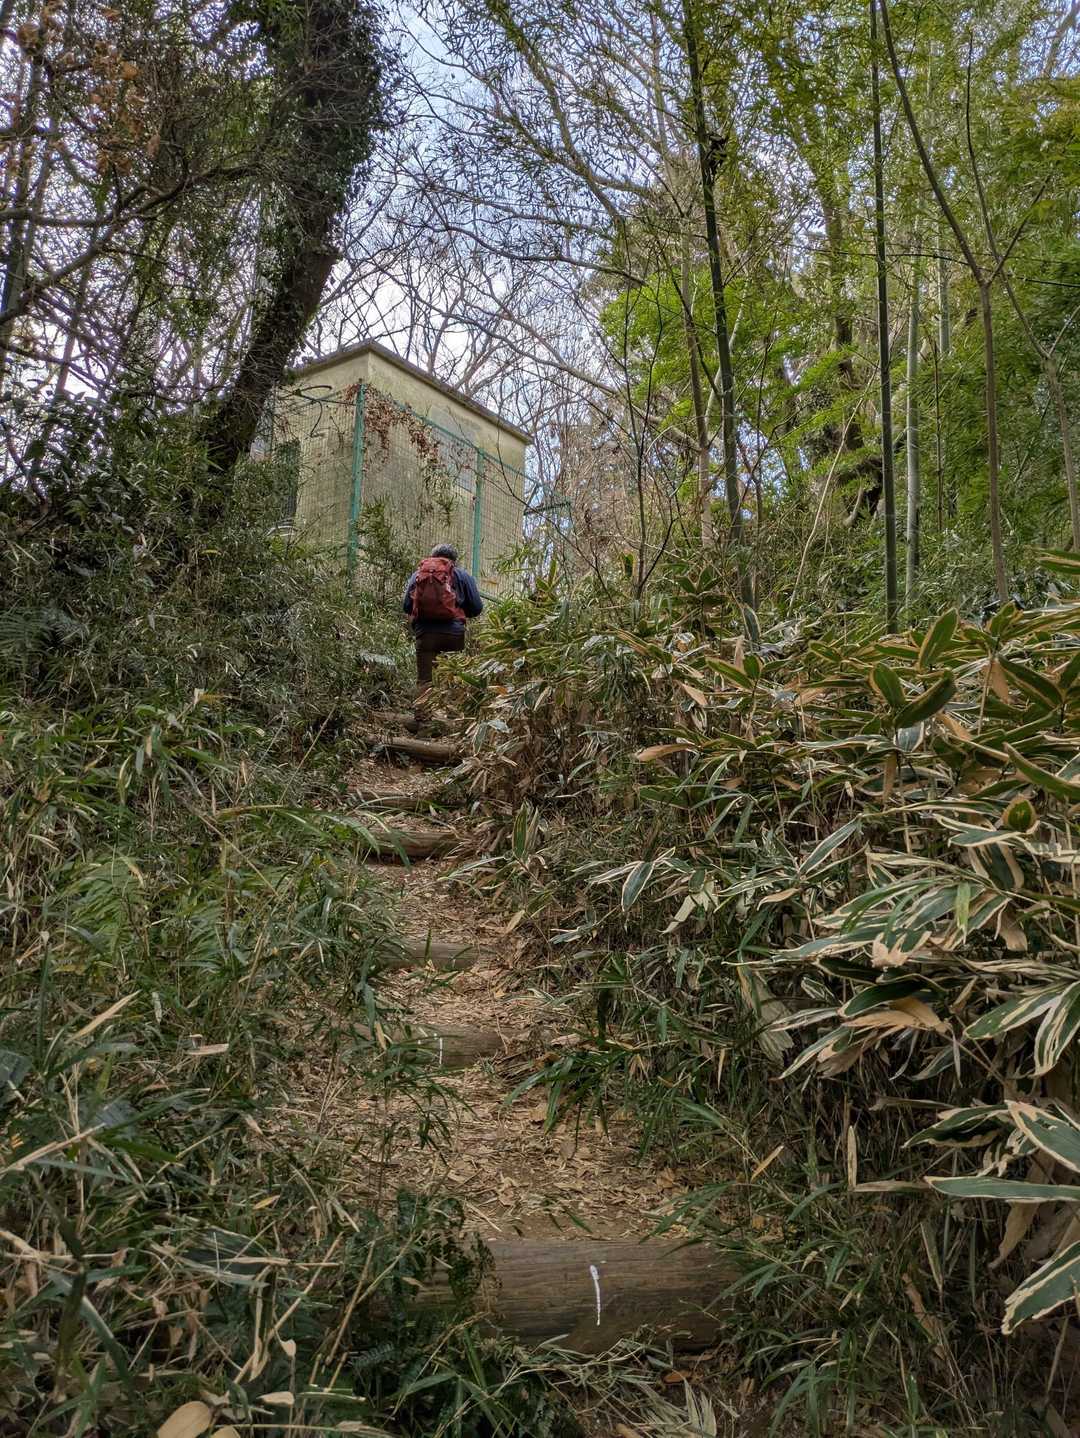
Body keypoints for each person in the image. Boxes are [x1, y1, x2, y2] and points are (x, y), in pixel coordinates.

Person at [402, 543, 483, 697]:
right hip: (454, 635)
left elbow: (407, 605)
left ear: (432, 557)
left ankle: (423, 710)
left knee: (425, 680)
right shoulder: (463, 576)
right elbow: (477, 608)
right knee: (452, 679)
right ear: (454, 560)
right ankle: (451, 709)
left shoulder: (418, 574)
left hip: (425, 634)